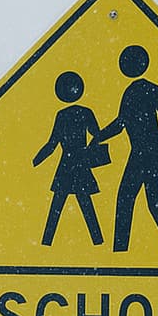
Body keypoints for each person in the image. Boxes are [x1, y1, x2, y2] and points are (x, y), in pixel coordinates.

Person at [94, 44, 158, 255]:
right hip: (143, 155)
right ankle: (124, 253)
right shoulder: (139, 91)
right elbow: (122, 123)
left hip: (147, 154)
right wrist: (99, 136)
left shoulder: (142, 91)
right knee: (141, 201)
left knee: (142, 201)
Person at [33, 70, 107, 246]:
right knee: (82, 204)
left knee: (60, 205)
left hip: (67, 164)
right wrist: (89, 150)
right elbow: (98, 135)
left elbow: (52, 144)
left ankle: (47, 242)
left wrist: (36, 160)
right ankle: (97, 242)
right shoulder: (85, 112)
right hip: (78, 163)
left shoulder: (63, 114)